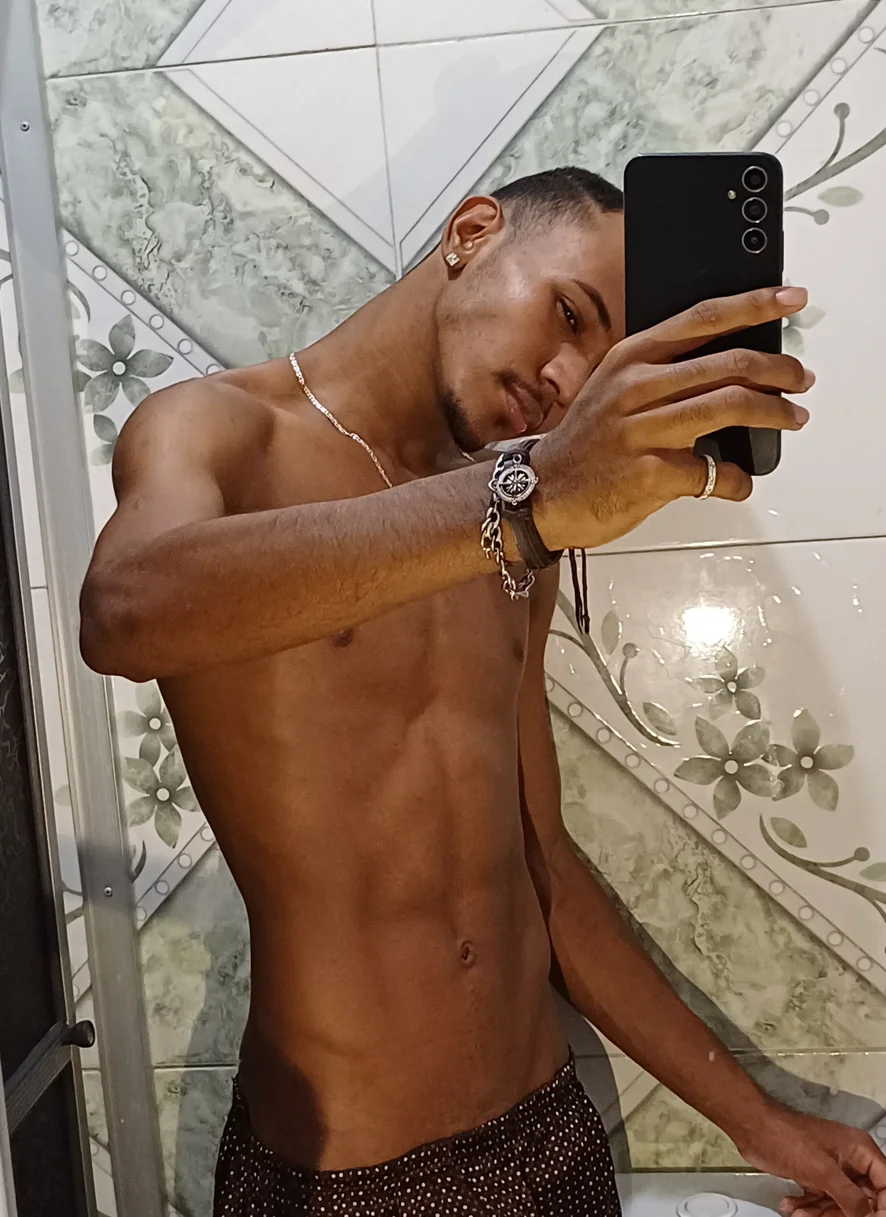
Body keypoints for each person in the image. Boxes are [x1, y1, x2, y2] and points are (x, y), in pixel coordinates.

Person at [79, 168, 886, 1217]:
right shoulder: (224, 432)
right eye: (569, 314)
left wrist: (766, 1124)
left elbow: (541, 870)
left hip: (550, 1139)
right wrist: (520, 504)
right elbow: (125, 611)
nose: (565, 379)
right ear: (471, 231)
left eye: (598, 367)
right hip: (342, 1182)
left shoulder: (514, 526)